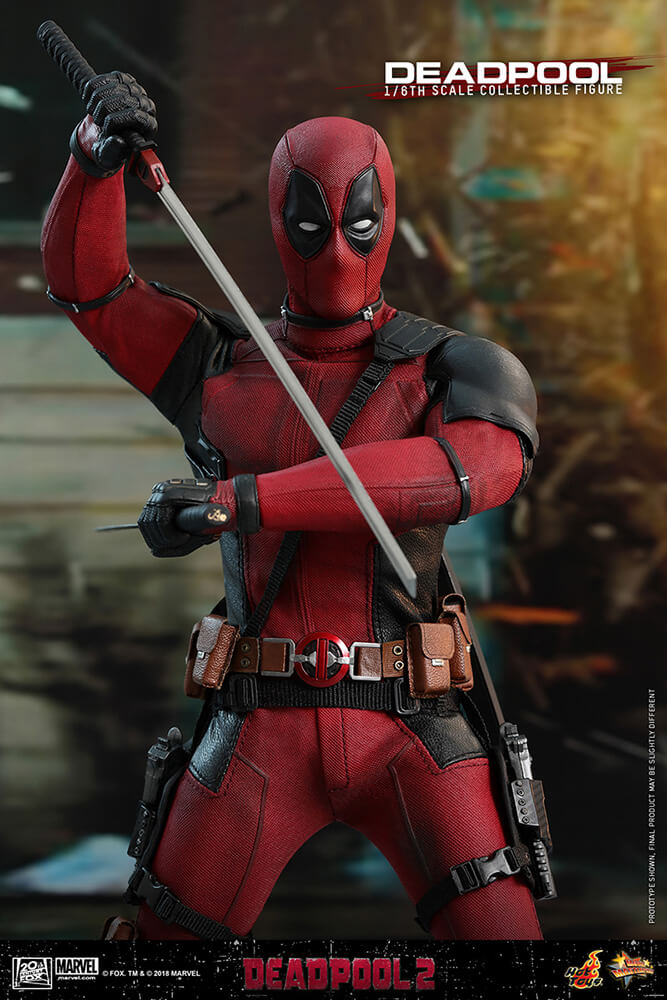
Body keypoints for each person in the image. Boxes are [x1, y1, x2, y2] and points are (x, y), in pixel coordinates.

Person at [41, 70, 542, 940]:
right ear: (280, 221)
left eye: (359, 226)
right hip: (257, 726)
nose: (338, 253)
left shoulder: (455, 367)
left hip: (413, 728)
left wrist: (242, 501)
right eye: (311, 227)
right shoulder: (219, 364)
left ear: (386, 217)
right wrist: (92, 162)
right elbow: (92, 291)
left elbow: (473, 471)